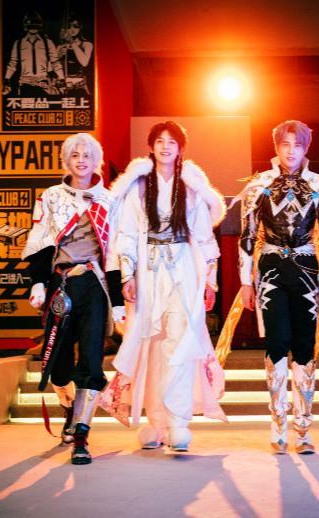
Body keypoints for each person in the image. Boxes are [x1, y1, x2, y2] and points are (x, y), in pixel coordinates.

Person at [221, 120, 319, 454]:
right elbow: (247, 236)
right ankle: (278, 423)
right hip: (271, 268)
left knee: (305, 345)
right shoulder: (259, 185)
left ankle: (303, 428)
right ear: (276, 147)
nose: (291, 152)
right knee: (277, 343)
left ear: (306, 148)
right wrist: (246, 282)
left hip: (307, 269)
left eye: (298, 145)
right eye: (285, 145)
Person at [99, 121, 227, 452]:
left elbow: (204, 237)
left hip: (184, 269)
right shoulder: (139, 186)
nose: (165, 146)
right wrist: (127, 276)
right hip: (149, 271)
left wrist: (210, 281)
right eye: (160, 141)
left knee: (180, 344)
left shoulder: (191, 185)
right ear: (151, 146)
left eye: (172, 141)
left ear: (181, 148)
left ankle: (178, 422)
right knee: (151, 346)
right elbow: (127, 234)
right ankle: (156, 422)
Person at [22, 132, 124, 465]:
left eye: (88, 155)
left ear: (97, 161)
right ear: (66, 160)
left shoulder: (110, 200)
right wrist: (38, 283)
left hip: (94, 285)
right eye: (75, 155)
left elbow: (114, 254)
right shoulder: (50, 197)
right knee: (59, 364)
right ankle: (68, 408)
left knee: (91, 359)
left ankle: (82, 433)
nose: (82, 161)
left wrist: (118, 302)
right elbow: (39, 241)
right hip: (60, 284)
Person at [3, 11, 64, 96]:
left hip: (43, 81)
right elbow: (13, 63)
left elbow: (55, 62)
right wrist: (7, 79)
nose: (33, 28)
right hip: (25, 82)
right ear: (26, 26)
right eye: (31, 24)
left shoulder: (48, 43)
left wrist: (62, 78)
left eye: (35, 24)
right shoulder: (18, 43)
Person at [57, 14, 92, 95]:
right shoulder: (61, 46)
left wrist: (72, 42)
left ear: (80, 27)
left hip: (79, 85)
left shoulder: (86, 44)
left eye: (75, 26)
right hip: (63, 85)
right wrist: (58, 56)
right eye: (69, 26)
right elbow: (52, 67)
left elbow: (84, 62)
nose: (72, 29)